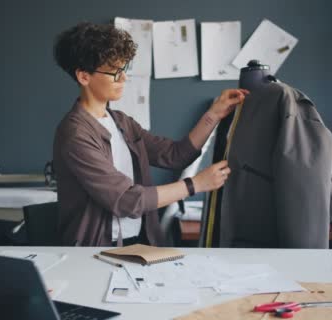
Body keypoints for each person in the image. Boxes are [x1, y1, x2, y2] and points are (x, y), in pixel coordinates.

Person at [52, 22, 248, 247]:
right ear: (84, 77)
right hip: (94, 251)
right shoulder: (75, 134)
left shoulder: (122, 122)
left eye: (123, 70)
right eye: (115, 72)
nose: (123, 78)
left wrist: (214, 113)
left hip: (138, 242)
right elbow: (126, 200)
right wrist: (195, 185)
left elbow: (175, 155)